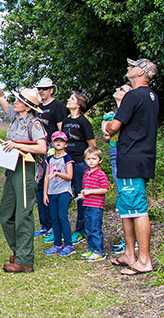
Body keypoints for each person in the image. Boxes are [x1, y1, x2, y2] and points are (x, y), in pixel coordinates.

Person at [0, 63, 47, 273]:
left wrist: (17, 145)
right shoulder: (13, 117)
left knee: (23, 215)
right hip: (11, 169)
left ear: (28, 106)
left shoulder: (34, 123)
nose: (15, 102)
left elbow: (41, 147)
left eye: (20, 100)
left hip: (26, 170)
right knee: (5, 214)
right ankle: (19, 251)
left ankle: (25, 260)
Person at [105, 58, 159, 276]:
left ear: (141, 72)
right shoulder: (152, 97)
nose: (128, 68)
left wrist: (108, 126)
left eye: (132, 66)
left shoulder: (133, 95)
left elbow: (113, 127)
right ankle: (129, 253)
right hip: (144, 156)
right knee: (127, 208)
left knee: (138, 208)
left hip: (131, 157)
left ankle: (144, 260)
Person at [33, 76, 66, 241]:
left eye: (44, 89)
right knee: (39, 187)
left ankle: (55, 226)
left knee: (51, 186)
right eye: (39, 89)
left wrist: (58, 150)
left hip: (52, 150)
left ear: (51, 90)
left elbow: (62, 129)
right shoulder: (37, 107)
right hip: (38, 151)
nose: (41, 91)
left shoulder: (57, 106)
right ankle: (44, 224)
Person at [61, 91, 96, 244]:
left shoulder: (84, 122)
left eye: (72, 98)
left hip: (80, 164)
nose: (69, 100)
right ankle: (61, 228)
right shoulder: (65, 121)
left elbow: (92, 145)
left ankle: (81, 230)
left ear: (79, 104)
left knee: (80, 196)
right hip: (65, 162)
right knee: (64, 195)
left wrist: (91, 164)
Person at [103, 84, 130, 254]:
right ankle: (128, 240)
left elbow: (110, 128)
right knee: (121, 196)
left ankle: (131, 242)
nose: (118, 88)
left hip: (125, 153)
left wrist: (110, 127)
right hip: (114, 154)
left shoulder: (128, 111)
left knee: (128, 195)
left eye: (124, 88)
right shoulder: (114, 114)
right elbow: (106, 135)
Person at [43, 130, 75, 256]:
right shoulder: (49, 159)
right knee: (54, 218)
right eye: (56, 141)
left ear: (65, 144)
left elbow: (70, 176)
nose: (58, 143)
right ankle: (57, 244)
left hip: (63, 191)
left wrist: (57, 173)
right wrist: (45, 193)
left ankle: (68, 244)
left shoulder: (67, 158)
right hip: (52, 192)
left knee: (62, 217)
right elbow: (46, 177)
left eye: (61, 141)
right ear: (52, 143)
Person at [77, 146, 110, 262]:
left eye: (94, 159)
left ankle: (99, 251)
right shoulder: (86, 173)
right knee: (89, 227)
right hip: (87, 204)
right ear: (85, 160)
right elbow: (86, 188)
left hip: (96, 206)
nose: (91, 161)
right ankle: (91, 249)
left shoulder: (100, 174)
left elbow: (105, 189)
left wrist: (90, 191)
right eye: (89, 159)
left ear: (99, 160)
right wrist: (84, 194)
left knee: (95, 228)